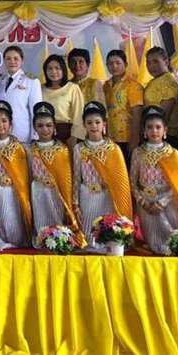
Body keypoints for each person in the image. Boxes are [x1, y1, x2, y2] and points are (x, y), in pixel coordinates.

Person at [130, 106, 178, 255]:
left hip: (167, 203)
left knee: (170, 242)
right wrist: (142, 201)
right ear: (144, 131)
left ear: (165, 130)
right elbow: (132, 182)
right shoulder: (138, 152)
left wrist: (162, 202)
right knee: (151, 244)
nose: (154, 131)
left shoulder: (172, 154)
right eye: (150, 127)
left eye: (158, 127)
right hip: (146, 203)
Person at [72, 101, 132, 252]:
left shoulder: (113, 149)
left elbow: (121, 182)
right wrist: (75, 203)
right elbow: (76, 178)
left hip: (106, 197)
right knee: (88, 239)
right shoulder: (79, 149)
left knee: (105, 235)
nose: (94, 126)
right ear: (84, 125)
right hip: (86, 195)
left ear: (104, 124)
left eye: (97, 122)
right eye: (89, 123)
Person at [26, 102, 85, 249]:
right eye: (40, 126)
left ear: (54, 127)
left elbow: (67, 180)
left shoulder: (62, 150)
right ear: (34, 128)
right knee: (40, 223)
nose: (45, 129)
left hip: (56, 193)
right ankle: (41, 242)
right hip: (37, 191)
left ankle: (59, 241)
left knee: (57, 222)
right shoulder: (29, 149)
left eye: (49, 125)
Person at [0, 100, 31, 248]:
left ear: (11, 123)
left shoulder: (18, 147)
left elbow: (24, 176)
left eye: (4, 121)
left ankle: (15, 244)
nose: (0, 125)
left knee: (12, 219)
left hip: (12, 192)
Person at [0, 45, 42, 144]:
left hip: (22, 132)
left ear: (22, 61)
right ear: (4, 61)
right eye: (8, 59)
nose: (12, 61)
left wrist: (35, 135)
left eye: (16, 58)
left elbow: (35, 111)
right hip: (1, 131)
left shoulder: (31, 81)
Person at [103, 49, 144, 162]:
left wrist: (134, 139)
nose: (114, 66)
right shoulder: (105, 86)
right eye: (110, 63)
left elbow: (137, 114)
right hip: (110, 138)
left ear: (125, 64)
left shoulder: (133, 85)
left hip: (127, 138)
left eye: (118, 63)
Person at [41, 54, 85, 145]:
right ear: (45, 71)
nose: (53, 72)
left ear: (63, 70)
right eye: (50, 68)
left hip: (66, 134)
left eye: (57, 68)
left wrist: (74, 137)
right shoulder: (40, 89)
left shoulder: (72, 88)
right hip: (44, 132)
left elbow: (79, 115)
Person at [143, 46, 178, 149]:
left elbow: (164, 114)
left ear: (166, 61)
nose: (151, 66)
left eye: (155, 61)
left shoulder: (170, 81)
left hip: (166, 136)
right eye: (148, 63)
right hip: (153, 132)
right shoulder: (154, 81)